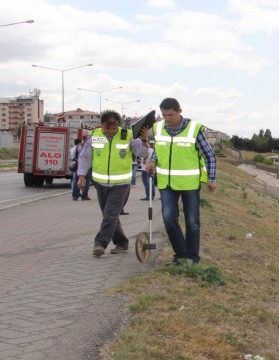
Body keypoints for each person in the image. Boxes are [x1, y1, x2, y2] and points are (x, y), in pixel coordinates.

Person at [146, 98, 216, 265]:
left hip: (189, 184)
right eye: (164, 115)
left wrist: (211, 179)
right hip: (166, 184)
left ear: (179, 111)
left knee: (192, 222)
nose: (167, 119)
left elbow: (210, 156)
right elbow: (159, 150)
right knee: (169, 220)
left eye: (170, 115)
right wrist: (153, 161)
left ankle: (193, 258)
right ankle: (181, 255)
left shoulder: (194, 130)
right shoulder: (158, 127)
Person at [77, 110, 149, 257]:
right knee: (109, 215)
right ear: (101, 125)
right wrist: (81, 175)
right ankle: (122, 243)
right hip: (101, 183)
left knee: (110, 214)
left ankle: (100, 244)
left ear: (119, 126)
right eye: (107, 128)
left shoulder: (127, 136)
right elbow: (85, 157)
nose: (110, 131)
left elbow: (143, 154)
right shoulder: (95, 136)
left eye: (114, 128)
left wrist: (143, 140)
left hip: (121, 184)